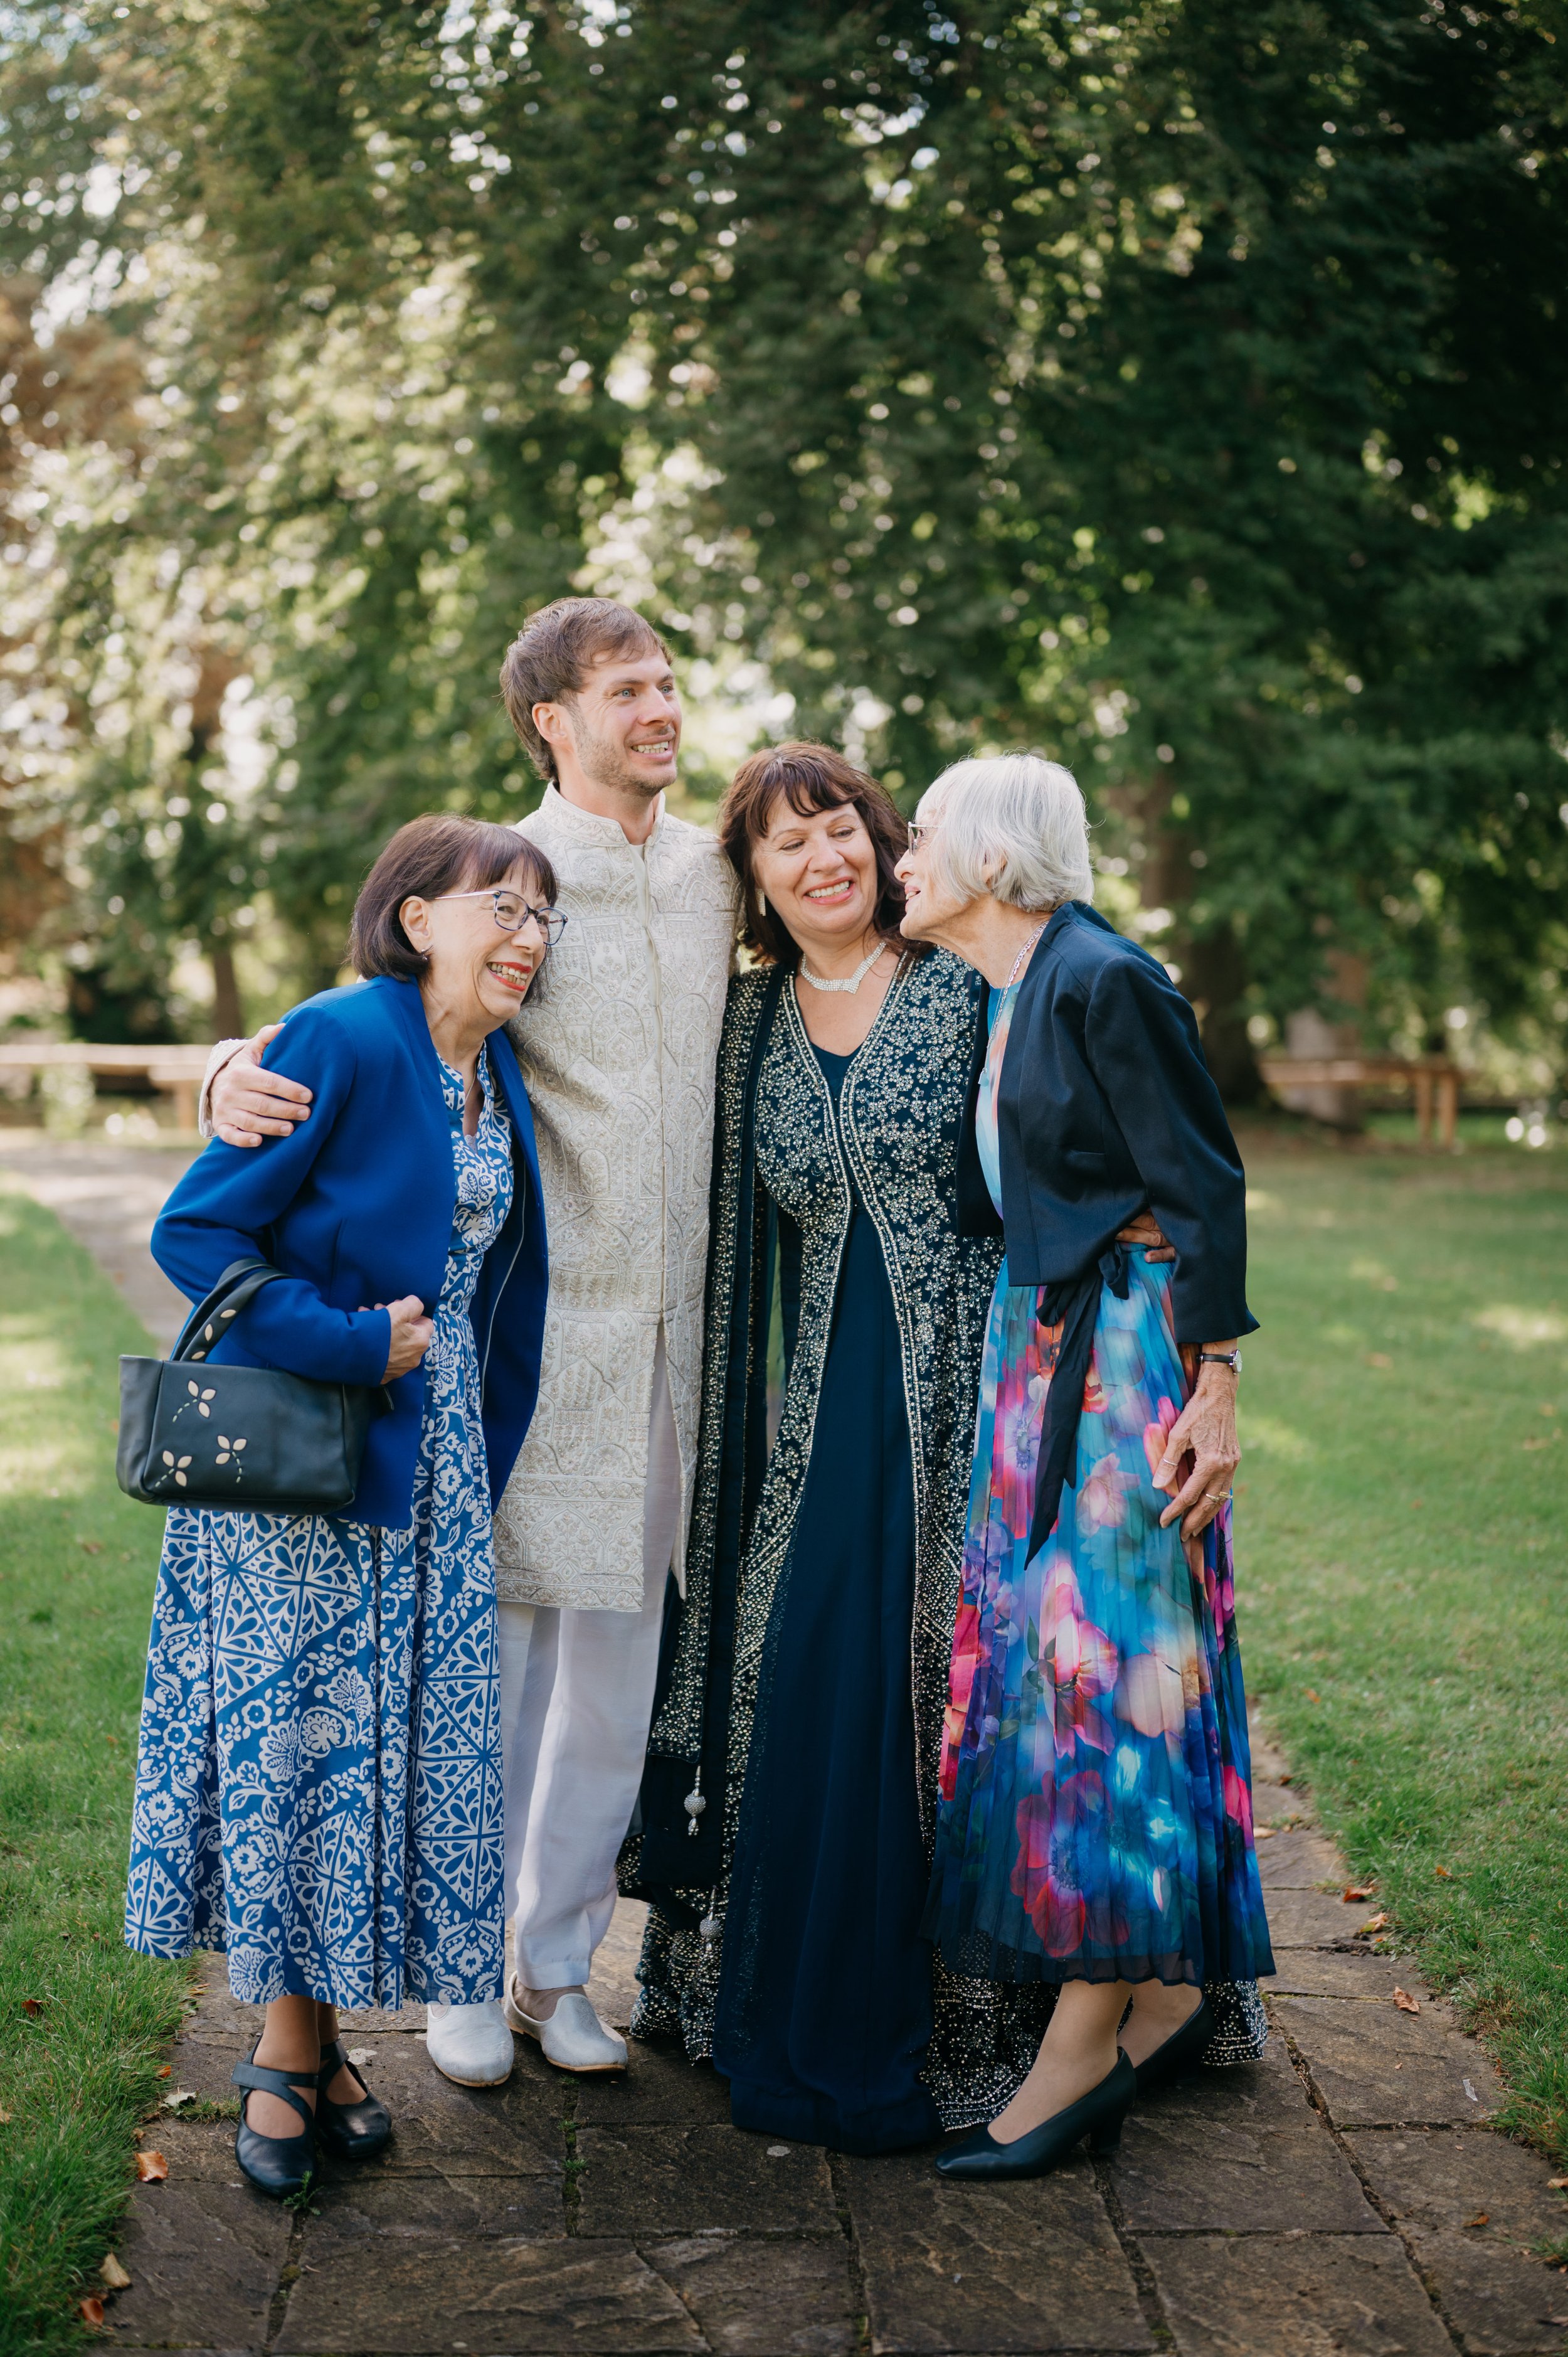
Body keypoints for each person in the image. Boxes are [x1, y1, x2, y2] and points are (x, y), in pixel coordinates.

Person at [201, 599, 740, 2085]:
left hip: (677, 1345)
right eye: (626, 688)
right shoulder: (503, 879)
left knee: (618, 1674)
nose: (661, 709)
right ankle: (454, 1959)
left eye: (667, 684)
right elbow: (366, 1019)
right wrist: (223, 1079)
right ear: (549, 721)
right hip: (518, 1338)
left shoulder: (716, 876)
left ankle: (554, 1967)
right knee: (487, 1669)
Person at [625, 743, 1055, 2154]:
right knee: (802, 1665)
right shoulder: (742, 1022)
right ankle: (777, 1996)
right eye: (784, 841)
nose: (822, 857)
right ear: (749, 878)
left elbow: (1085, 1109)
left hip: (967, 1394)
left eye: (841, 828)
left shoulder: (967, 978)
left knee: (936, 1674)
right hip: (809, 1406)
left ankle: (971, 2026)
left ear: (882, 840)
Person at [125, 813, 554, 2195]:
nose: (530, 934)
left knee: (373, 1764)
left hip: (428, 1489)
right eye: (504, 904)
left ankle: (313, 2051)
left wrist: (474, 1455)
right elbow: (195, 1231)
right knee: (308, 1758)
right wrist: (353, 1342)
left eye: (545, 915)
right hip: (304, 1477)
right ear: (417, 917)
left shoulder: (495, 1080)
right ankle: (284, 2056)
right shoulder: (342, 1035)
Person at [896, 753, 1274, 2181]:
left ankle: (1081, 2043)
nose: (899, 857)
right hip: (1041, 1354)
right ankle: (1164, 1991)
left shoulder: (1102, 977)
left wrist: (1216, 1383)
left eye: (921, 834)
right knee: (1048, 1670)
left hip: (1125, 1370)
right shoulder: (1001, 990)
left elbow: (1202, 1178)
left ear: (992, 855)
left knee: (1104, 1676)